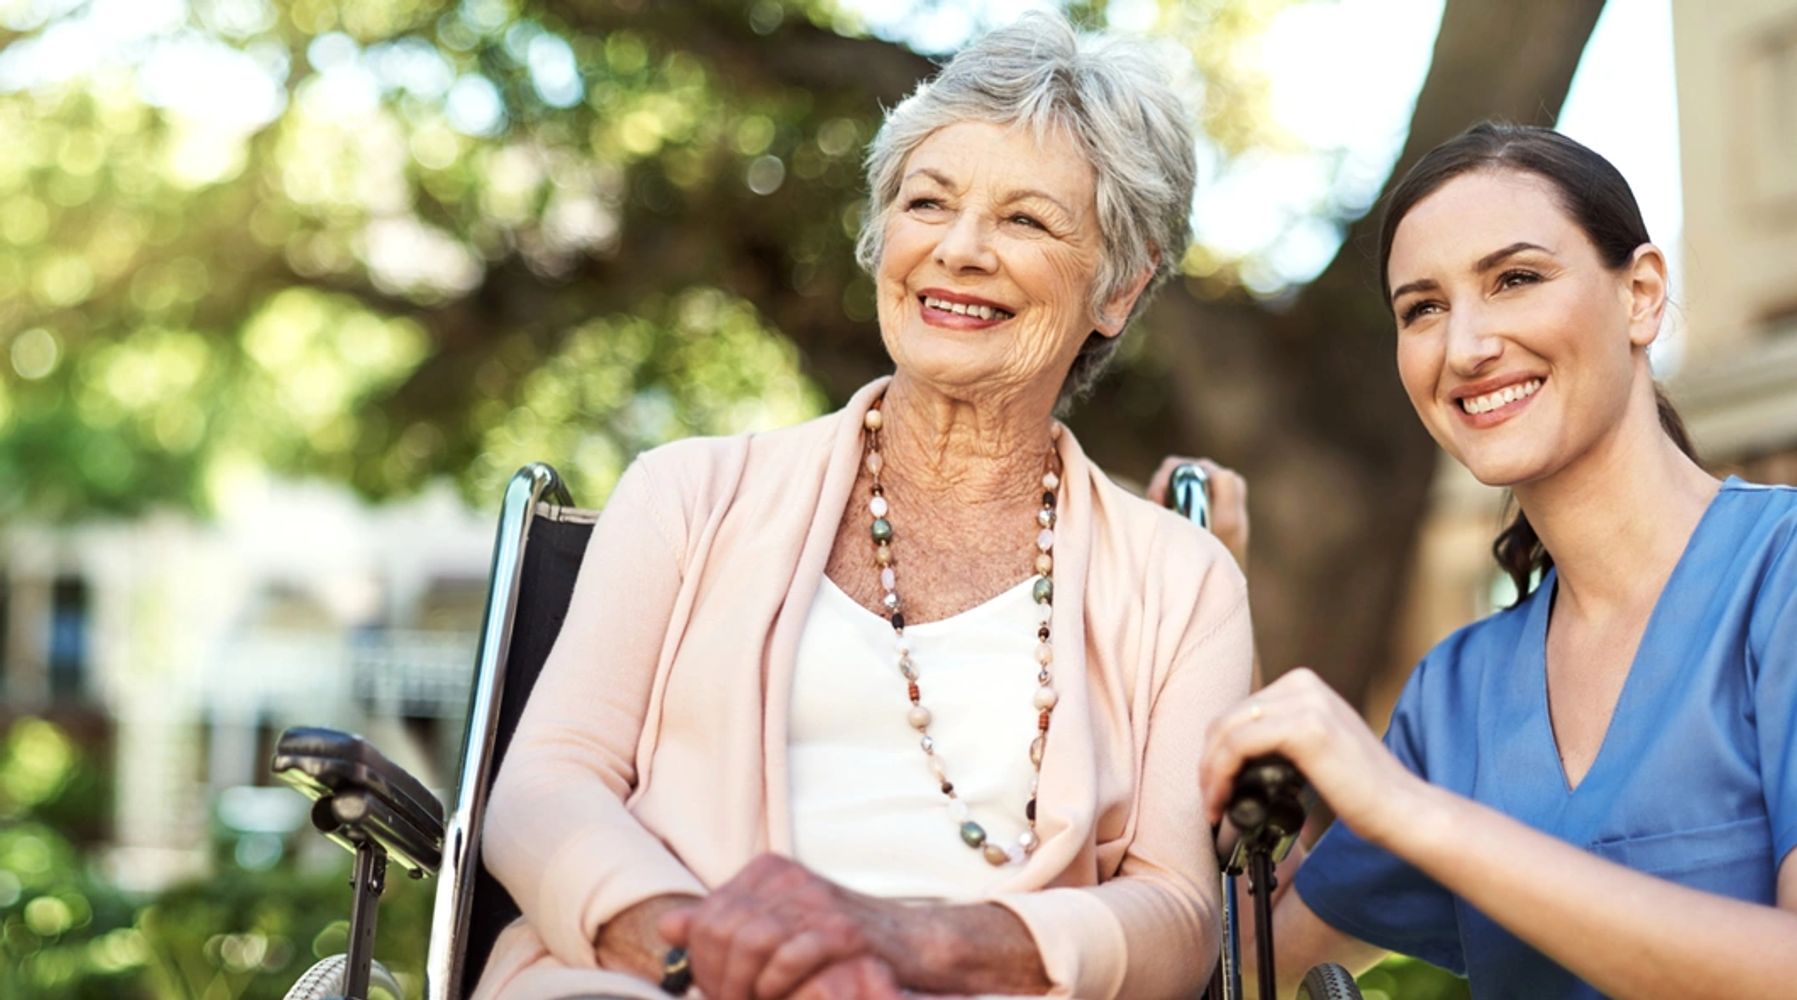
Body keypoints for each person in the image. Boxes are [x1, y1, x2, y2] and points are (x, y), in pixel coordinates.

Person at [471, 13, 1253, 1000]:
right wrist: (703, 948)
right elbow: (544, 787)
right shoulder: (686, 494)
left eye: (1025, 220)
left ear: (1119, 291)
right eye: (928, 203)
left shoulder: (1184, 583)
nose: (960, 249)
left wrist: (911, 945)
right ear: (883, 236)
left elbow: (1180, 915)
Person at [1171, 122, 1797, 998]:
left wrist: (1418, 816)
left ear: (1641, 295)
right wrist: (1211, 598)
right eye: (1422, 308)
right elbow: (1259, 957)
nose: (1464, 347)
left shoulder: (1780, 576)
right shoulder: (1457, 696)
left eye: (1515, 279)